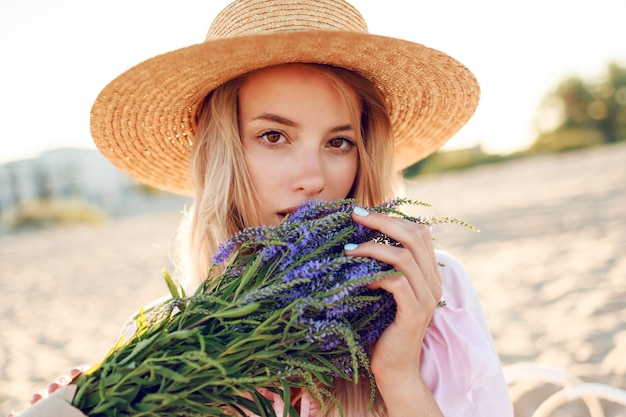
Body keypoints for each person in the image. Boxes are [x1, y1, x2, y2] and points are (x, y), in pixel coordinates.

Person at [21, 0, 514, 416]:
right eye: (274, 136)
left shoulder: (428, 291)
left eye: (339, 142)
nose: (315, 178)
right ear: (222, 152)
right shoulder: (170, 335)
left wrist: (398, 374)